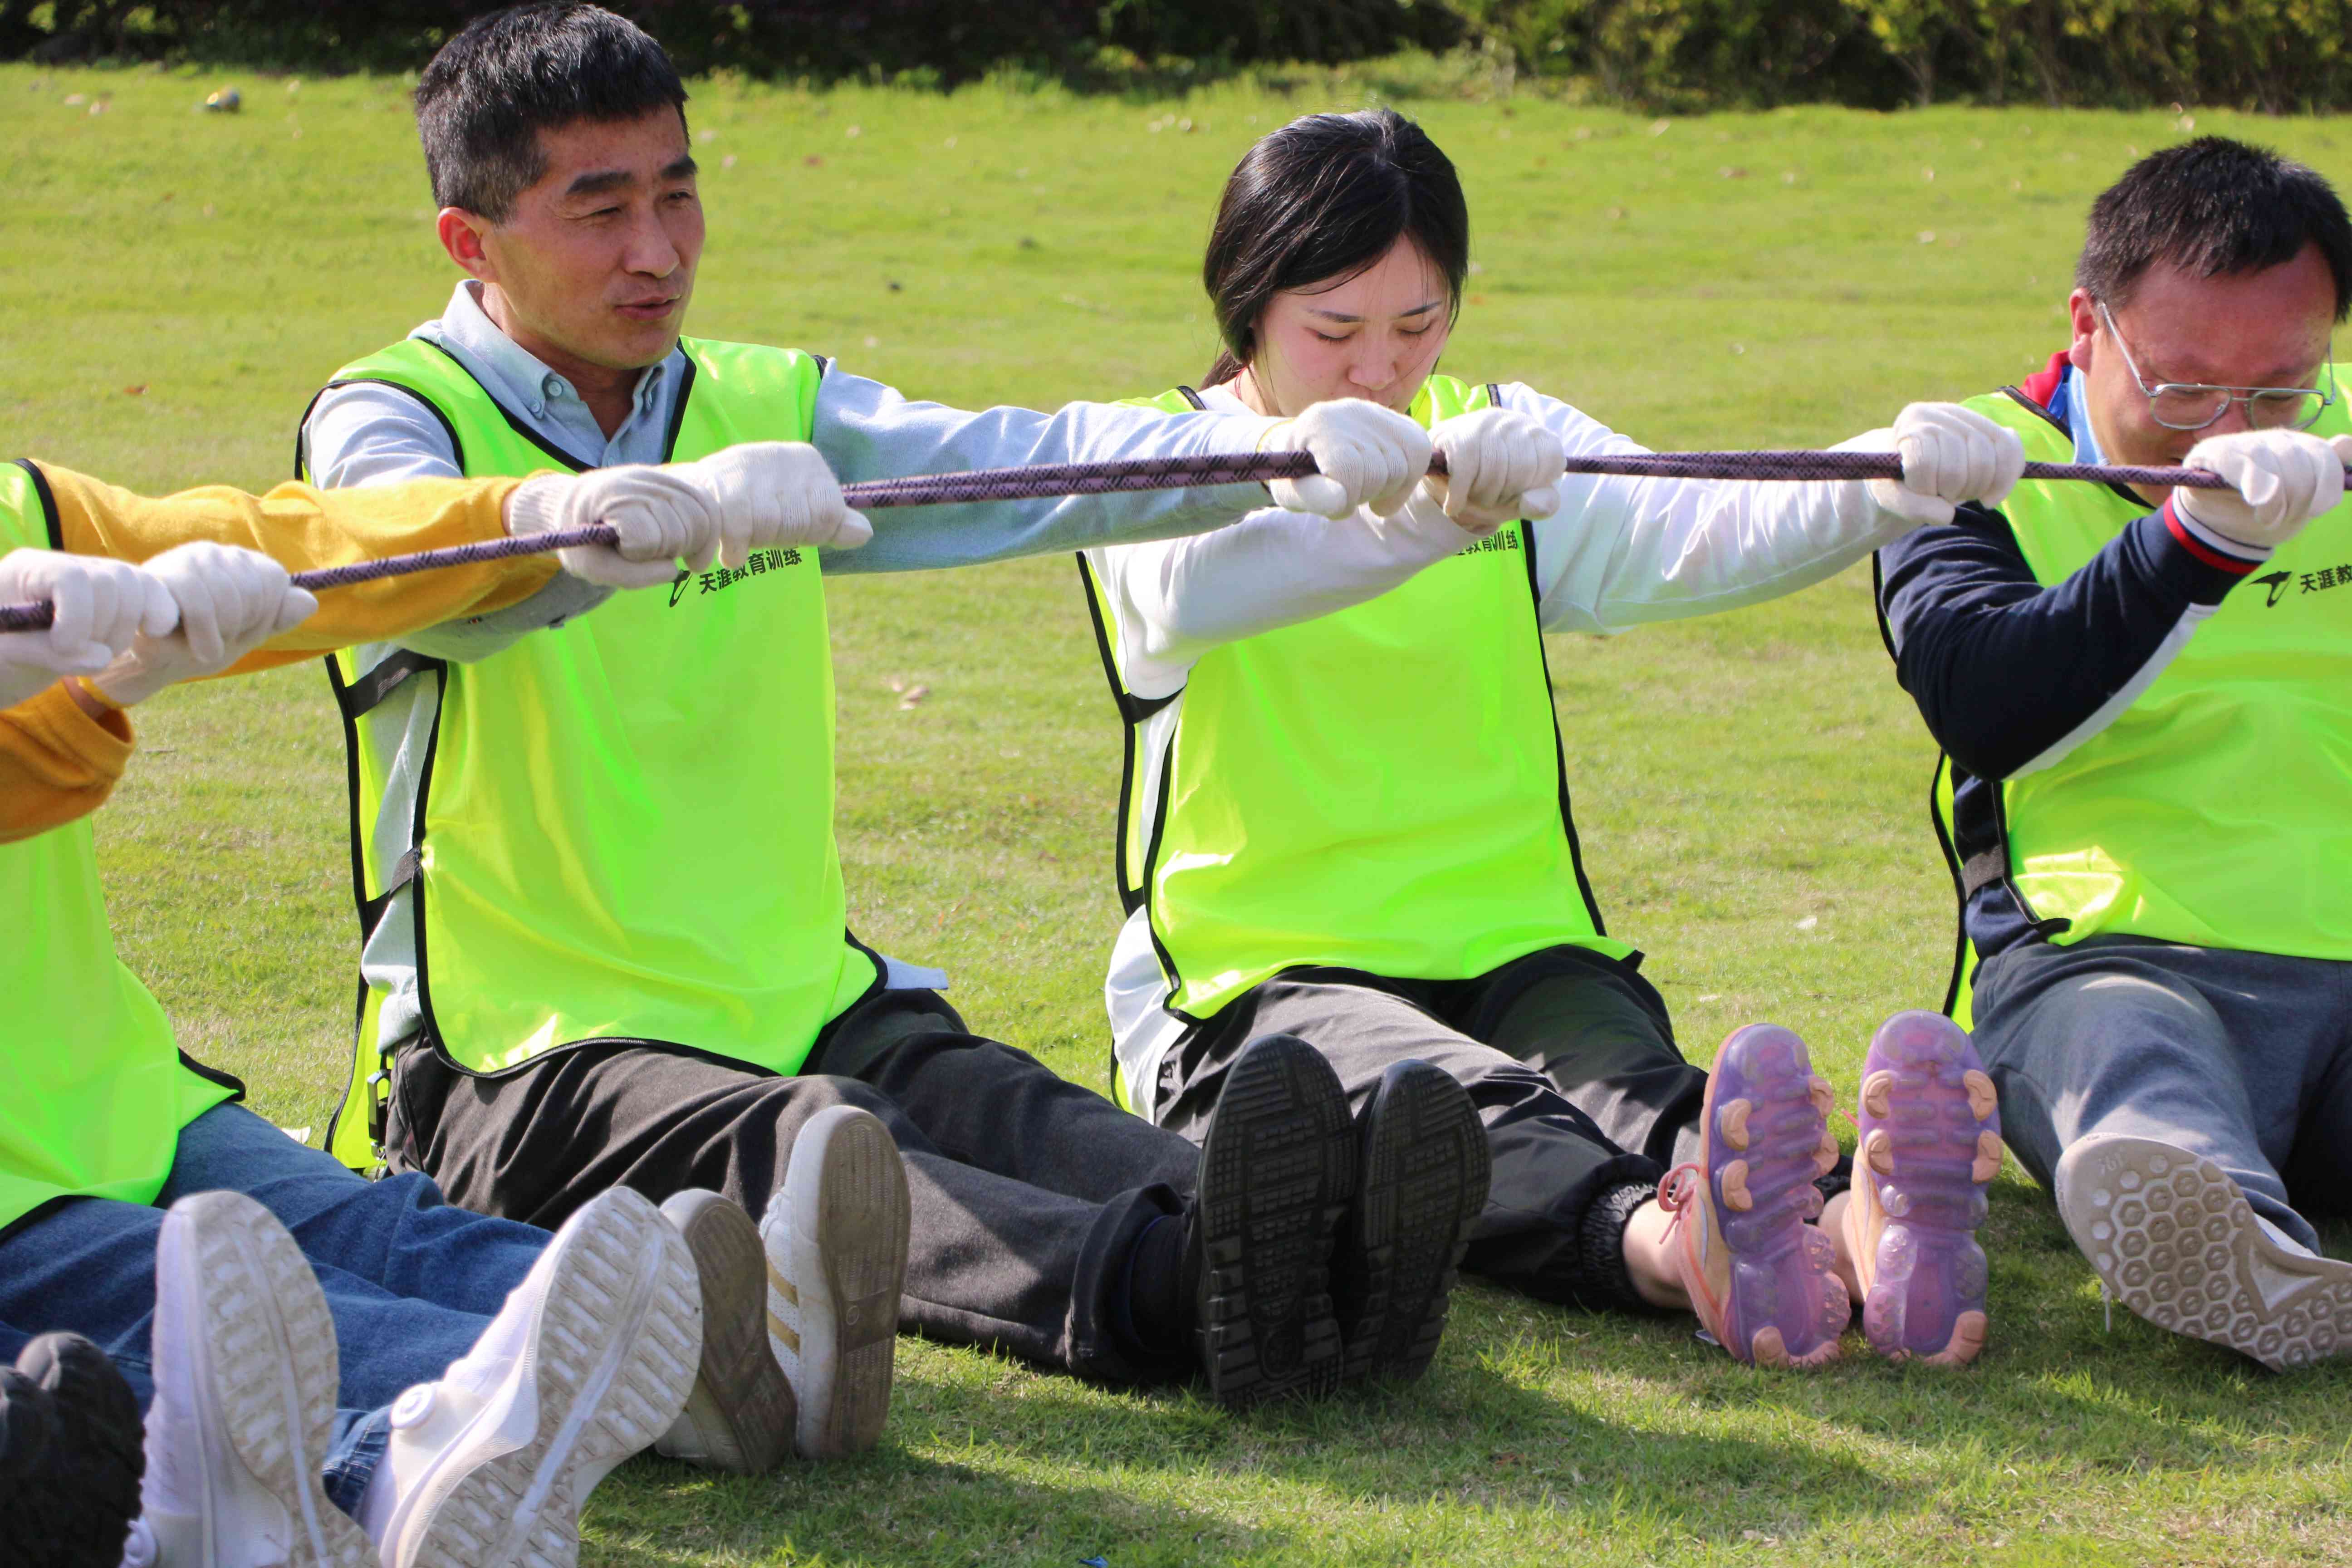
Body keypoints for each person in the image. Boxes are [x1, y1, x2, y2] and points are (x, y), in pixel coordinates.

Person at [299, 0, 1475, 1414]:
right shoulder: (391, 414)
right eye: (597, 208)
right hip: (518, 1055)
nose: (658, 250)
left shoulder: (761, 400)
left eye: (678, 193)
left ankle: (1328, 1249)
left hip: (798, 992)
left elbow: (1026, 465)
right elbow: (401, 557)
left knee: (997, 1103)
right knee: (822, 1146)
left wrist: (1265, 451)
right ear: (469, 243)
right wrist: (602, 521)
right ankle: (1180, 1295)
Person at [1077, 107, 2034, 1368]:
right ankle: (1669, 1252)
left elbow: (1693, 523)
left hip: (1519, 945)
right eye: (1336, 331)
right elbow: (1205, 589)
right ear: (1248, 306)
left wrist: (1880, 482)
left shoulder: (1496, 435)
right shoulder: (1150, 461)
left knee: (1638, 1088)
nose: (1382, 371)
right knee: (1461, 1113)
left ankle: (1867, 1233)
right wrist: (1424, 523)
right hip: (1255, 986)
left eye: (1419, 327)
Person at [0, 453, 858, 1566]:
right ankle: (398, 1466)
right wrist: (86, 703)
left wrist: (533, 522)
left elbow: (299, 548)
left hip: (101, 1088)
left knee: (375, 1233)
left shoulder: (21, 505)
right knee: (197, 1308)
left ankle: (723, 1350)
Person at [1875, 136, 2352, 1372]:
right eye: (2186, 392)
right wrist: (2194, 541)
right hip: (2113, 953)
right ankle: (2234, 1245)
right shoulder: (1965, 463)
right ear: (2088, 324)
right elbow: (1982, 701)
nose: (2228, 433)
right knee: (2134, 1068)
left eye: (2279, 390)